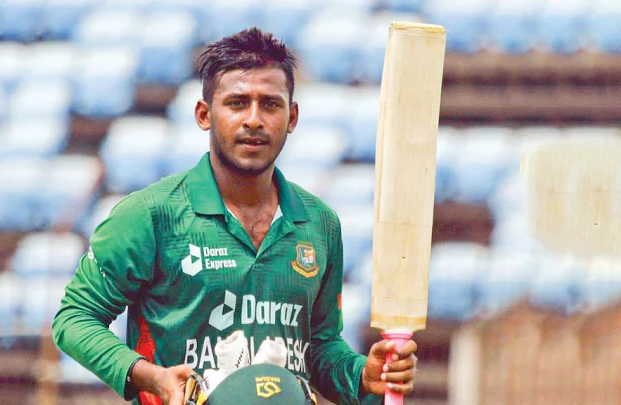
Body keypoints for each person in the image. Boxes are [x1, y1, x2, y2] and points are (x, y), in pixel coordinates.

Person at [52, 27, 418, 405]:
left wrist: (362, 375)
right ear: (204, 114)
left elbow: (320, 346)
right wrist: (152, 377)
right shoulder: (150, 215)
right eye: (237, 103)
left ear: (292, 117)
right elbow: (75, 318)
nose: (254, 120)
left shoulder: (319, 223)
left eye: (270, 104)